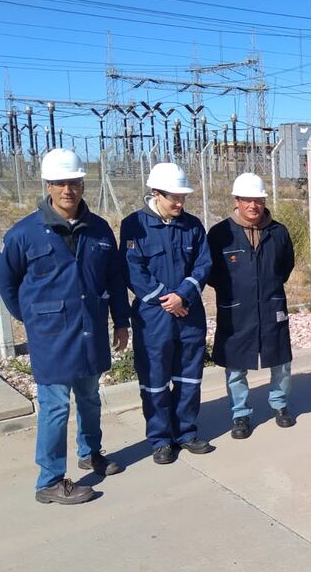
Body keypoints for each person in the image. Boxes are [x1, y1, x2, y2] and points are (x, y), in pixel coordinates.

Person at [0, 148, 130, 504]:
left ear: (83, 184)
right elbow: (6, 281)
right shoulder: (25, 233)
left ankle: (90, 452)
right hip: (51, 337)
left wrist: (121, 321)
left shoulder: (99, 229)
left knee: (89, 397)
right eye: (60, 183)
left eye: (74, 182)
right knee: (55, 406)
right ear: (48, 186)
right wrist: (32, 317)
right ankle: (49, 481)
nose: (68, 189)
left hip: (90, 330)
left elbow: (114, 278)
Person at [120, 162, 213, 465]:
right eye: (173, 197)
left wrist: (182, 295)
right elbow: (134, 271)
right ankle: (161, 439)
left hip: (189, 313)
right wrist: (166, 299)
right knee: (155, 381)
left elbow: (203, 264)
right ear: (155, 193)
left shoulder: (193, 225)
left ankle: (185, 432)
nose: (179, 203)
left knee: (189, 378)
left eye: (182, 197)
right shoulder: (134, 225)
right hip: (153, 317)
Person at [207, 173, 296, 440]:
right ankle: (240, 414)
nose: (253, 206)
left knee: (281, 361)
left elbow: (286, 266)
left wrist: (266, 286)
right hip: (236, 309)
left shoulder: (278, 232)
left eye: (258, 200)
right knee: (236, 366)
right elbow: (211, 272)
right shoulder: (220, 233)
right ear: (237, 200)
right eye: (247, 200)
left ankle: (280, 405)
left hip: (272, 306)